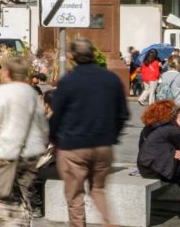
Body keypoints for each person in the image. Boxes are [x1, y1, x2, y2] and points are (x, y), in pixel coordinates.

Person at [47, 36, 129, 227]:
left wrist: (53, 138)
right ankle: (108, 222)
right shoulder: (112, 79)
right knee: (98, 189)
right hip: (103, 146)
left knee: (75, 195)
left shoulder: (68, 81)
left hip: (73, 146)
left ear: (72, 57)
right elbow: (123, 114)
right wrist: (111, 137)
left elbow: (56, 115)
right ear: (93, 54)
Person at [0, 53, 50, 227]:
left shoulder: (1, 92)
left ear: (8, 72)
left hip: (6, 153)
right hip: (31, 153)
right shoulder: (32, 93)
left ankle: (16, 221)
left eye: (3, 69)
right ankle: (23, 220)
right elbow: (42, 121)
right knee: (24, 193)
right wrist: (44, 141)